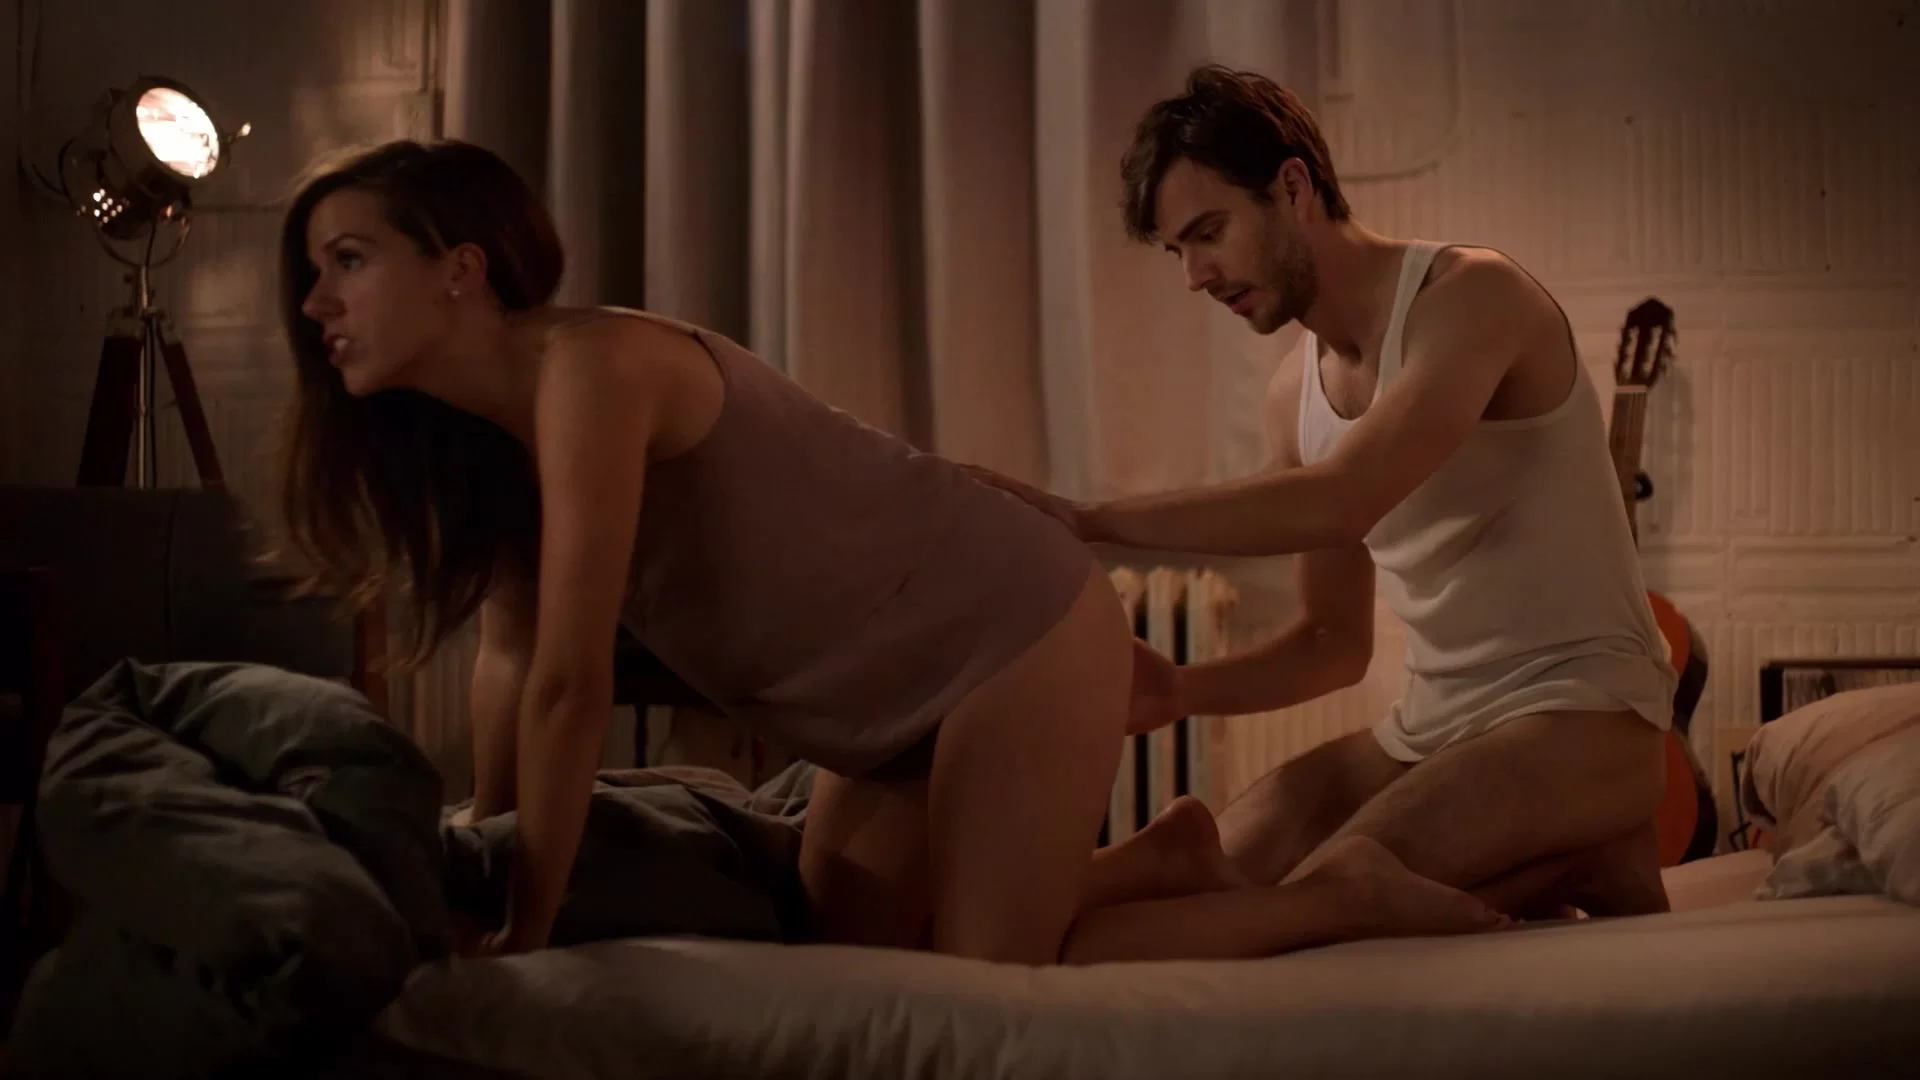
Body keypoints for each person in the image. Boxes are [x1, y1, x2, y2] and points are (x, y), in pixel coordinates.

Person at [273, 138, 1507, 966]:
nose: (318, 301)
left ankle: (1343, 898)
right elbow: (509, 664)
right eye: (314, 273)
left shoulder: (592, 370)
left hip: (1009, 630)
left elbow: (569, 683)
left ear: (460, 270)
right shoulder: (487, 450)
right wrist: (485, 861)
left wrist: (529, 929)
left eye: (350, 262)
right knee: (856, 939)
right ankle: (1166, 855)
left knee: (995, 965)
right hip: (879, 709)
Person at [966, 65, 1679, 921]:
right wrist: (1180, 691)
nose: (1195, 275)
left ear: (1293, 187)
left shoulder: (1473, 298)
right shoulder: (1291, 396)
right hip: (1431, 730)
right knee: (1185, 880)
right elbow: (1331, 644)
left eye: (1208, 232)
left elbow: (1345, 497)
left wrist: (1087, 520)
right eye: (1177, 251)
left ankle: (1579, 846)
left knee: (1317, 904)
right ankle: (1572, 864)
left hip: (1584, 718)